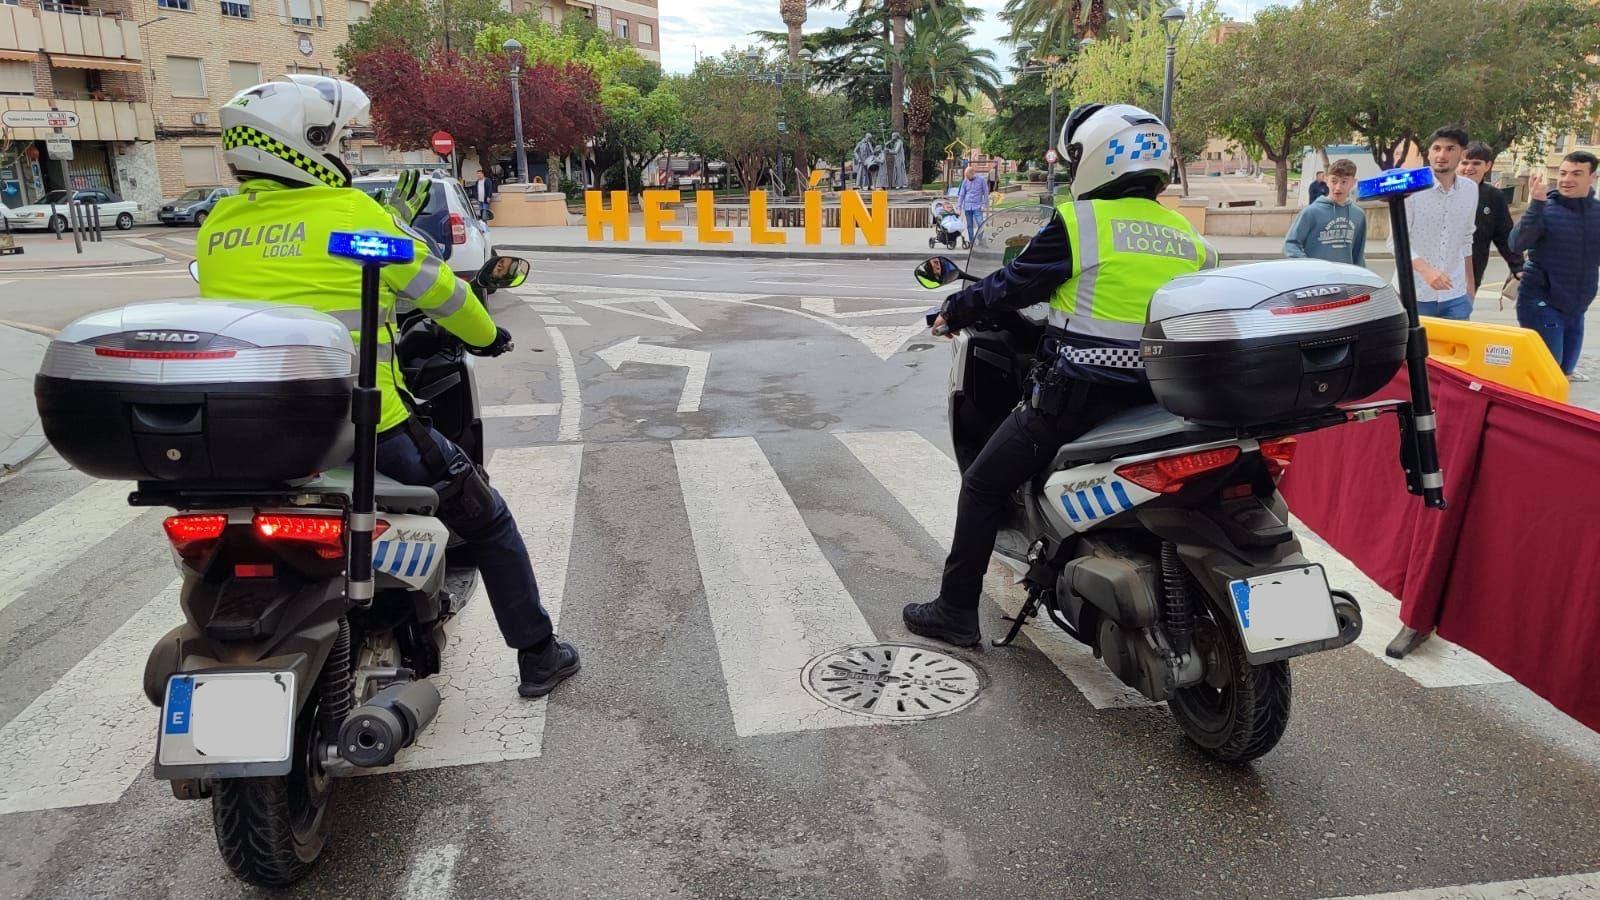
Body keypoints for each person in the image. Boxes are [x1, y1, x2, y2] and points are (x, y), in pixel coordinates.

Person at [196, 75, 580, 698]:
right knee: (488, 523)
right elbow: (439, 287)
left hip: (244, 435)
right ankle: (539, 656)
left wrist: (388, 224)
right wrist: (486, 336)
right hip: (363, 428)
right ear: (308, 141)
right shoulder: (349, 214)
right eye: (339, 139)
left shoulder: (218, 225)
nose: (345, 152)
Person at [904, 103, 1216, 647]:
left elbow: (1011, 285)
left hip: (1081, 398)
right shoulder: (1190, 238)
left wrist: (953, 310)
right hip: (1166, 400)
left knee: (980, 485)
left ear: (1096, 157)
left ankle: (955, 612)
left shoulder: (1081, 222)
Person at [1510, 151, 1600, 380]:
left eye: (1576, 174)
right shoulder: (1546, 207)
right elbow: (1516, 244)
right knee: (1546, 376)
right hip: (1540, 302)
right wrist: (1535, 205)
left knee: (1565, 373)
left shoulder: (1597, 213)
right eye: (1563, 173)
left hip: (1577, 308)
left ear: (1593, 177)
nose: (1566, 179)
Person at [1391, 125, 1478, 320]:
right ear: (1428, 153)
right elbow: (1395, 241)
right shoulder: (1410, 188)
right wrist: (1427, 271)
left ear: (1462, 154)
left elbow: (1466, 238)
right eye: (1437, 148)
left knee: (1455, 349)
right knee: (1414, 350)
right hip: (1415, 292)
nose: (1442, 154)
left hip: (1455, 295)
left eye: (1450, 149)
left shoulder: (1470, 190)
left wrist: (1469, 285)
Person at [1457, 141, 1524, 291]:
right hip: (1435, 274)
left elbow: (1505, 236)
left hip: (1471, 274)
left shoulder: (1494, 196)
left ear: (1488, 166)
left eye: (1476, 163)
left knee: (1459, 314)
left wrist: (1518, 267)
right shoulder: (1444, 191)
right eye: (1464, 163)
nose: (1469, 168)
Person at [1283, 158, 1366, 265]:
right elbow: (1290, 244)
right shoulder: (1311, 212)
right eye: (1334, 181)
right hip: (1317, 279)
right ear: (1326, 180)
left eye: (1344, 182)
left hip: (1345, 278)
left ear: (1353, 182)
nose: (1338, 187)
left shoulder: (1358, 215)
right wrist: (1309, 265)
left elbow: (1358, 254)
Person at [956, 165, 989, 243]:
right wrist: (959, 208)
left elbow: (986, 192)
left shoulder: (981, 180)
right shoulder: (965, 181)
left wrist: (984, 205)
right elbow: (961, 195)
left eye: (969, 177)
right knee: (969, 225)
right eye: (967, 177)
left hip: (977, 206)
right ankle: (971, 241)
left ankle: (980, 239)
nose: (968, 179)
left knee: (980, 223)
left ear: (973, 173)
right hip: (967, 206)